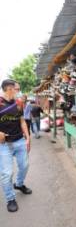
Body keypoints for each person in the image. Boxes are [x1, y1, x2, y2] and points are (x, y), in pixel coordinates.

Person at [0, 79, 32, 213]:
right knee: (7, 173)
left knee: (24, 166)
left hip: (19, 141)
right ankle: (10, 198)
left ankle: (19, 184)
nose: (19, 92)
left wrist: (28, 137)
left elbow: (22, 121)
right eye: (17, 89)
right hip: (4, 145)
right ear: (9, 89)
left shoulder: (19, 103)